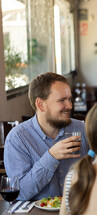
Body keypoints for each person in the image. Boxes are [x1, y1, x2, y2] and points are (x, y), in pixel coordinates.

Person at [4, 72, 89, 201]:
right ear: (40, 104)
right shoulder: (17, 138)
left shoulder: (81, 129)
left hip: (79, 212)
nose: (69, 106)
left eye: (69, 99)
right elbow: (21, 193)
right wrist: (51, 157)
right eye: (62, 100)